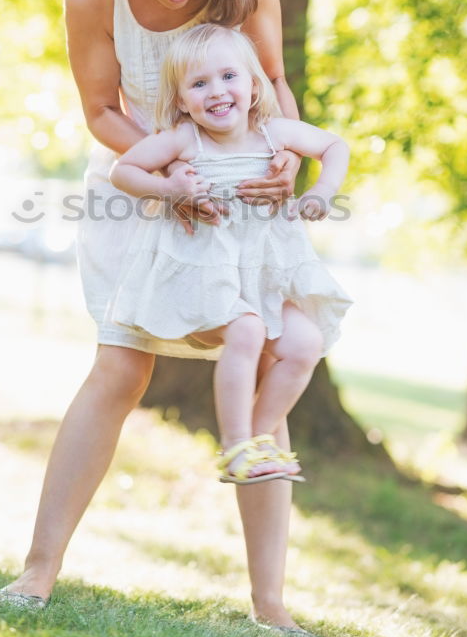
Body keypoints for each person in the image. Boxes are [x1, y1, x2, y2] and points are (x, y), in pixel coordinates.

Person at [0, 0, 318, 633]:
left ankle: (270, 607)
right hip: (141, 187)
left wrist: (283, 156)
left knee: (273, 356)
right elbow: (101, 111)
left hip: (241, 199)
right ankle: (37, 572)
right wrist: (174, 175)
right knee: (120, 370)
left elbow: (273, 82)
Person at [108, 24, 352, 486]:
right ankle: (236, 443)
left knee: (305, 344)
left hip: (261, 277)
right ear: (181, 100)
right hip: (203, 279)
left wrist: (323, 190)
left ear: (253, 84)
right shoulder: (185, 141)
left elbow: (334, 145)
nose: (216, 92)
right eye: (199, 84)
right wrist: (168, 188)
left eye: (228, 77)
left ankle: (259, 442)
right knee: (248, 329)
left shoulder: (273, 133)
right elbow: (125, 171)